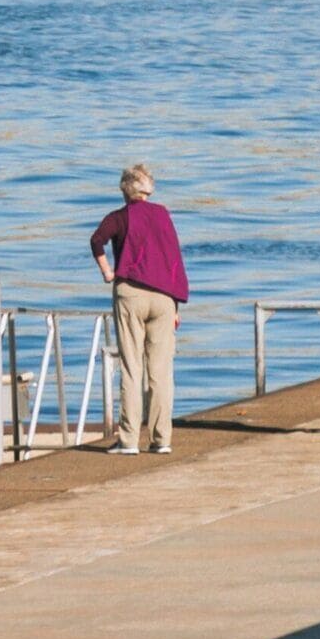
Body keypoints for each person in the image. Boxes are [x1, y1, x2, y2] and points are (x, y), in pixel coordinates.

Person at [88, 163, 189, 455]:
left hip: (130, 293)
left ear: (125, 191)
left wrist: (107, 271)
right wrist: (176, 305)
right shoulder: (163, 215)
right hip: (164, 298)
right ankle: (162, 440)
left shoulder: (119, 217)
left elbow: (96, 240)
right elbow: (172, 257)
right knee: (161, 372)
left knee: (133, 368)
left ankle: (129, 440)